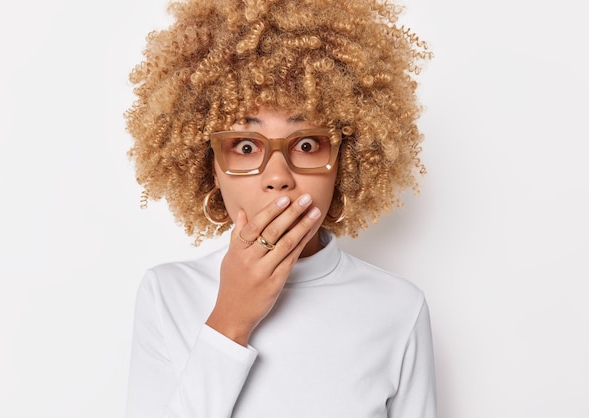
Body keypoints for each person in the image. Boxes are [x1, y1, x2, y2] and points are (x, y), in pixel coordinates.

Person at [124, 0, 435, 417]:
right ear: (211, 168)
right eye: (246, 146)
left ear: (346, 160)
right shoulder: (168, 294)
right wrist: (230, 320)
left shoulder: (398, 308)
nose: (278, 177)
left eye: (307, 145)